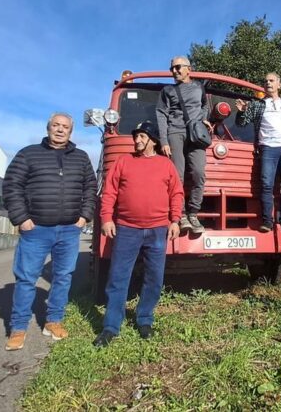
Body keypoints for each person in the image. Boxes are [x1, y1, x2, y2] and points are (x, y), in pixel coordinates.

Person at [2, 112, 98, 351]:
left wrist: (85, 216)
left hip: (68, 230)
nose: (60, 130)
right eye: (56, 125)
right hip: (36, 230)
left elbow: (91, 187)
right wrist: (21, 218)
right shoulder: (28, 154)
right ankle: (18, 328)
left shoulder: (81, 157)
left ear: (71, 131)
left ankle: (53, 322)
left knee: (63, 277)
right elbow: (12, 185)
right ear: (48, 128)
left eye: (65, 127)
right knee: (26, 279)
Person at [93, 121, 183, 348]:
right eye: (136, 136)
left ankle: (144, 319)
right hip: (127, 229)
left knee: (154, 278)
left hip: (157, 230)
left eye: (141, 136)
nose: (137, 140)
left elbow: (176, 193)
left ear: (152, 139)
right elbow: (110, 191)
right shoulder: (124, 161)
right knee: (118, 278)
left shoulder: (166, 164)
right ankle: (111, 327)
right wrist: (106, 218)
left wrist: (174, 220)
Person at [235, 72, 281, 233]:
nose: (268, 83)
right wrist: (241, 111)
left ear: (279, 84)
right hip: (268, 148)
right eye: (265, 81)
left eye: (271, 81)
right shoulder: (257, 105)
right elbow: (241, 124)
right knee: (266, 185)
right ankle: (267, 221)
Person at [155, 55, 212, 235]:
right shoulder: (167, 90)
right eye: (172, 68)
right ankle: (181, 214)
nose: (174, 71)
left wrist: (203, 119)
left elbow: (205, 106)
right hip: (175, 133)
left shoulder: (199, 87)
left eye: (178, 67)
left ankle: (194, 212)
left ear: (189, 68)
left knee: (198, 172)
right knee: (177, 176)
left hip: (196, 135)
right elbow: (161, 114)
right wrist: (164, 140)